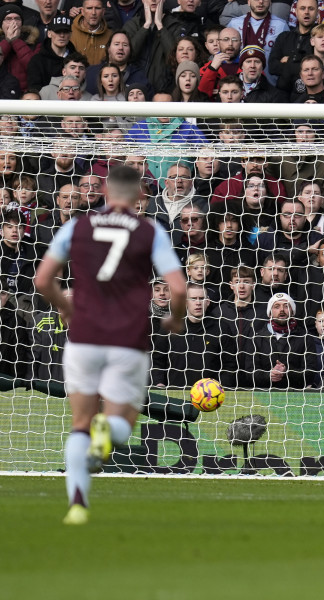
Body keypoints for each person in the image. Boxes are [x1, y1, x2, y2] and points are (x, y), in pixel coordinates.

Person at [33, 165, 186, 526]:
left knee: (79, 424)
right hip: (128, 340)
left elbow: (42, 280)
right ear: (140, 197)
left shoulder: (77, 226)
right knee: (120, 422)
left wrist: (67, 308)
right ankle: (110, 430)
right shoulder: (151, 230)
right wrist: (176, 319)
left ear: (103, 190)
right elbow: (178, 288)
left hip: (83, 338)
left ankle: (77, 505)